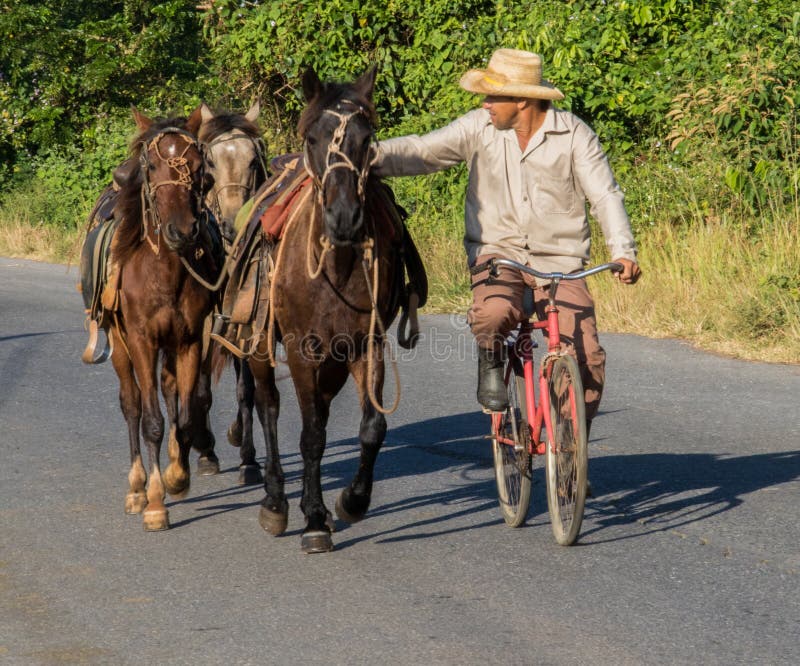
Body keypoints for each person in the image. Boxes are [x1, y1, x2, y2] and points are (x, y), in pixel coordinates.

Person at [374, 48, 641, 428]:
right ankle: (491, 357)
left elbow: (604, 195)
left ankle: (568, 450)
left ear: (521, 99)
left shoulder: (573, 134)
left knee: (589, 359)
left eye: (492, 96)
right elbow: (422, 152)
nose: (484, 104)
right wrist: (359, 156)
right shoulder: (478, 129)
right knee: (494, 313)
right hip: (498, 255)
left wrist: (623, 250)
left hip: (560, 262)